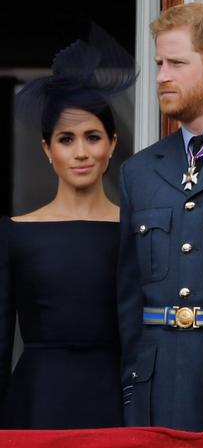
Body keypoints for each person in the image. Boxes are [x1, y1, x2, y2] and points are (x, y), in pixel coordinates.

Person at [117, 3, 203, 431]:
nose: (160, 77)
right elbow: (130, 297)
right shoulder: (139, 172)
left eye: (176, 62)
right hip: (155, 389)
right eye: (158, 63)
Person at [0, 27, 137, 429]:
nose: (80, 152)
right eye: (66, 139)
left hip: (118, 404)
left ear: (111, 144)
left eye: (92, 137)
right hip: (36, 406)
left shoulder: (135, 230)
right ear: (47, 149)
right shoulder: (13, 233)